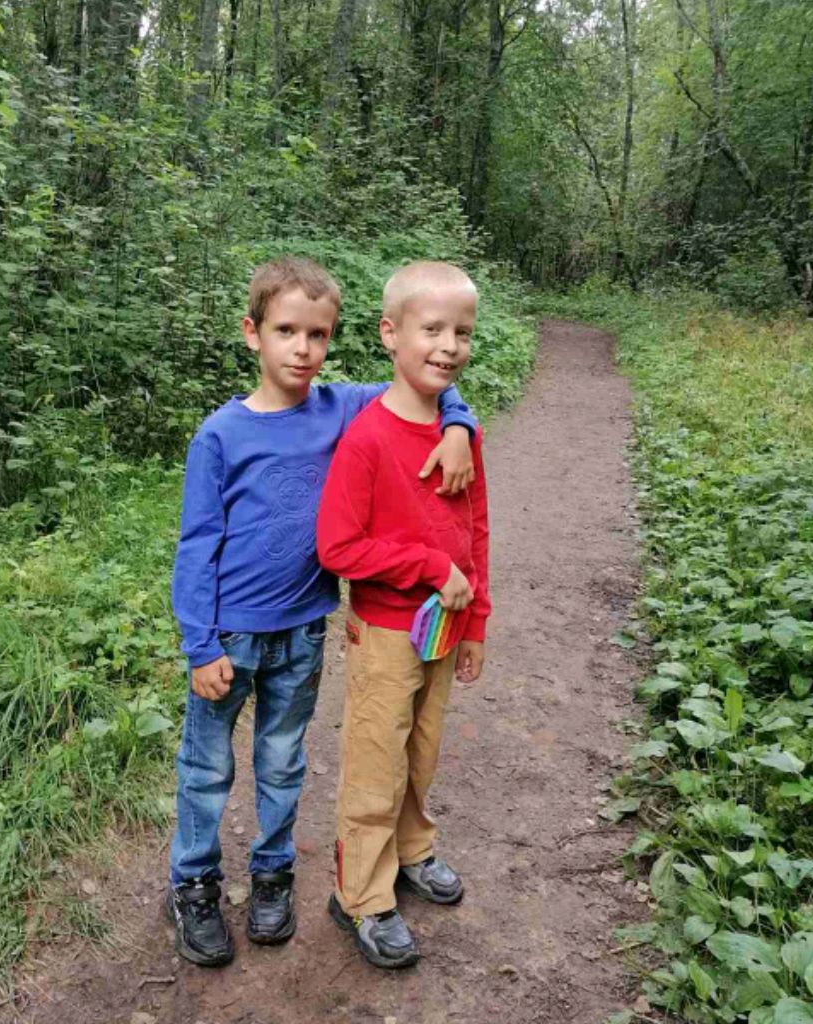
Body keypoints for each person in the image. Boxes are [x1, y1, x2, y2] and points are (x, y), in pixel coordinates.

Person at [166, 256, 481, 967]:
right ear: (253, 333)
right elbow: (196, 545)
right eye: (286, 331)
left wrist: (458, 424)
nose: (303, 349)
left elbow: (428, 382)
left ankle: (272, 875)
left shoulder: (341, 406)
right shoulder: (221, 434)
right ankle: (194, 884)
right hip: (229, 636)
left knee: (282, 763)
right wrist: (200, 644)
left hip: (303, 629)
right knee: (207, 767)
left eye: (318, 334)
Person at [316, 261, 491, 969]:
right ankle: (361, 895)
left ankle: (412, 851)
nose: (449, 346)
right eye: (432, 330)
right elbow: (338, 547)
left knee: (422, 750)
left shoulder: (462, 435)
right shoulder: (367, 438)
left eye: (462, 333)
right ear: (391, 334)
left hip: (445, 629)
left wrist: (476, 619)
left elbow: (476, 531)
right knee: (376, 760)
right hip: (386, 630)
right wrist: (428, 568)